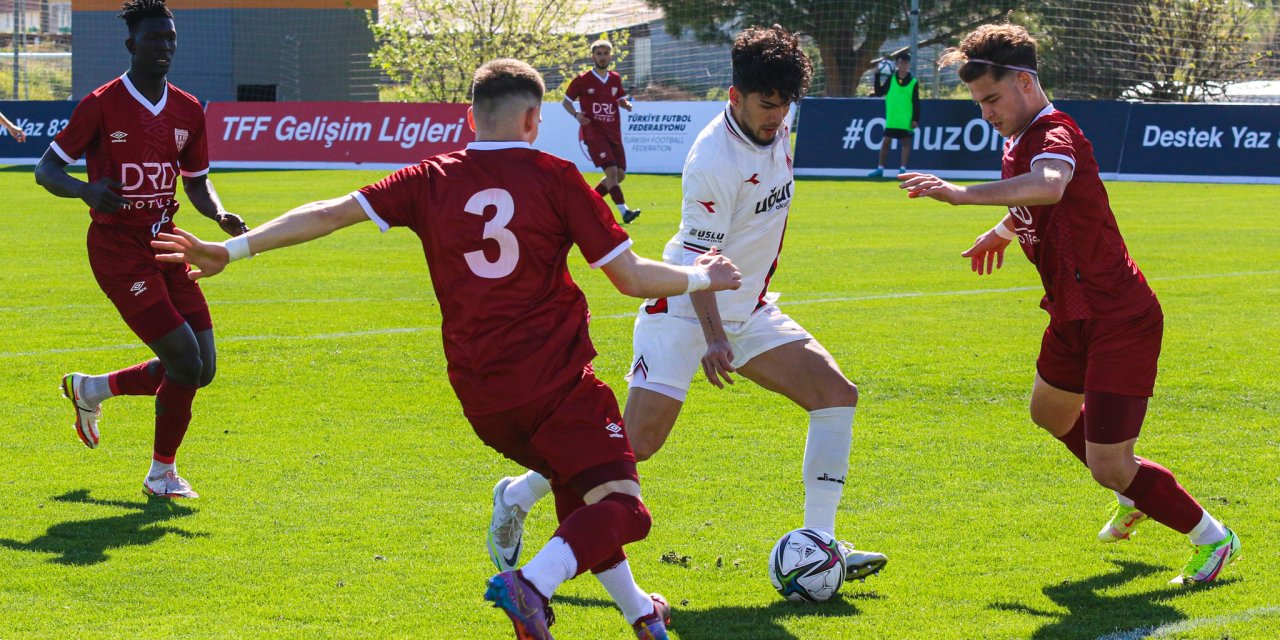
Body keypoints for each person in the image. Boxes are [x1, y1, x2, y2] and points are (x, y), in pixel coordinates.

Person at [151, 58, 742, 640]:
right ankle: (531, 586)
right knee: (626, 509)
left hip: (483, 399)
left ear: (470, 117)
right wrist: (702, 277)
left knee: (580, 493)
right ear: (533, 119)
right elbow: (633, 278)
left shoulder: (429, 177)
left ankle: (641, 614)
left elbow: (327, 214)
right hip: (556, 383)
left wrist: (231, 251)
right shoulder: (556, 176)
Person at [491, 26, 889, 598]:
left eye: (785, 105)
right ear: (735, 96)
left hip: (745, 308)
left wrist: (733, 324)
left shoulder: (776, 120)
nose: (778, 117)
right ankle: (518, 495)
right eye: (766, 105)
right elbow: (705, 259)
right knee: (636, 445)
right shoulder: (712, 158)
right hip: (684, 307)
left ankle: (819, 546)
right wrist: (714, 338)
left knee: (835, 395)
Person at [898, 24, 1239, 585]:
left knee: (1109, 463)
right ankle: (1134, 491)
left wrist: (960, 195)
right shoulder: (1018, 133)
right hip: (1072, 311)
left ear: (1026, 82)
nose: (985, 113)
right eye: (979, 102)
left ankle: (1213, 537)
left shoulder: (1053, 130)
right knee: (1050, 415)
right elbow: (1046, 200)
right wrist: (1002, 231)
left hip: (1118, 315)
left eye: (991, 99)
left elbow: (1052, 183)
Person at [33, 0, 248, 499]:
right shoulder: (101, 104)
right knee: (184, 363)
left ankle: (93, 388)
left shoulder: (188, 109)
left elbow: (197, 182)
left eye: (170, 39)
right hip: (117, 250)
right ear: (132, 44)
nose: (165, 47)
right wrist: (86, 190)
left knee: (202, 369)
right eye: (155, 38)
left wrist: (218, 213)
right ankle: (161, 474)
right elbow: (47, 170)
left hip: (167, 243)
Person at [563, 39, 640, 224]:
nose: (603, 57)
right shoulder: (583, 80)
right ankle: (624, 211)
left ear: (610, 56)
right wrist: (576, 115)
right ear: (593, 56)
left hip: (614, 133)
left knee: (620, 175)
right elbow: (566, 101)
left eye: (606, 54)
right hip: (594, 133)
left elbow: (619, 98)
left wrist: (625, 104)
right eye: (599, 54)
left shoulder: (614, 78)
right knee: (612, 171)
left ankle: (586, 204)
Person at [868, 51, 920, 179]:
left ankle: (902, 170)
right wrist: (878, 75)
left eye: (906, 63)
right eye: (901, 62)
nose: (904, 65)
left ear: (909, 65)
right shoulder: (891, 79)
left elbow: (916, 102)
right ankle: (880, 169)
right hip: (892, 119)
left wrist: (915, 119)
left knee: (906, 144)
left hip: (906, 119)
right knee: (886, 142)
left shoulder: (913, 82)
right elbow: (879, 92)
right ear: (897, 64)